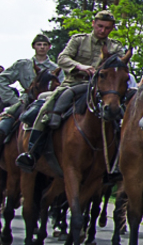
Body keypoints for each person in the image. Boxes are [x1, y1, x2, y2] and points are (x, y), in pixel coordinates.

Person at [17, 13, 125, 171]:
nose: (103, 31)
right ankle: (31, 152)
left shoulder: (115, 46)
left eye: (107, 28)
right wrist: (80, 67)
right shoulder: (79, 40)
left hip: (102, 89)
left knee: (123, 114)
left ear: (112, 28)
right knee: (47, 107)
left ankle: (119, 163)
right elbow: (62, 58)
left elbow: (121, 65)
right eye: (100, 26)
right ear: (93, 23)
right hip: (73, 84)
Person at [0, 36, 58, 178]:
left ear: (49, 47)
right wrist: (13, 100)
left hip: (47, 102)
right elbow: (2, 79)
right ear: (34, 47)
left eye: (45, 44)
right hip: (25, 102)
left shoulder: (56, 68)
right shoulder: (23, 65)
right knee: (4, 123)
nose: (42, 47)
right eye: (39, 44)